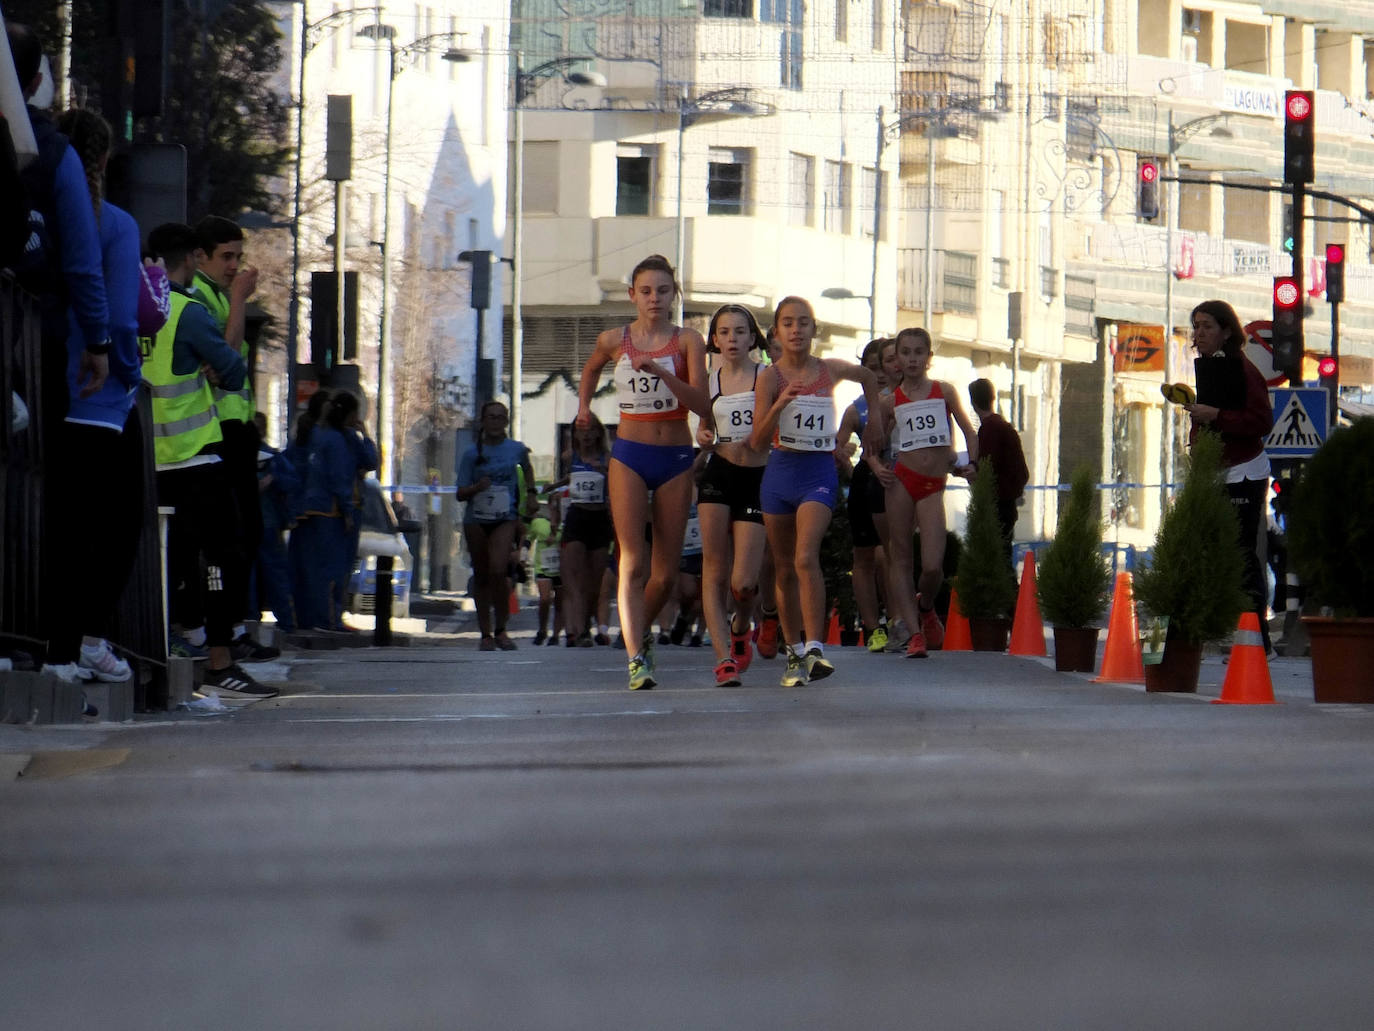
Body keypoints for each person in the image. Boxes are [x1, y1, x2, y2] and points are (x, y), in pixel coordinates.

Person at [143, 222, 274, 698]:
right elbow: (234, 370)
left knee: (163, 558)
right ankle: (220, 659)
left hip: (143, 453)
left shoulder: (133, 306)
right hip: (192, 453)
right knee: (223, 552)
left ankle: (166, 645)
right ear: (194, 259)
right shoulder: (186, 310)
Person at [38, 109, 143, 686]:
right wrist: (127, 373)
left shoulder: (41, 214)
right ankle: (84, 640)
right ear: (101, 160)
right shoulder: (117, 225)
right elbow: (122, 318)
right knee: (117, 526)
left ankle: (55, 647)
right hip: (100, 401)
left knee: (57, 529)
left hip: (45, 385)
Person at [575, 254, 709, 690]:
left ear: (675, 295)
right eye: (646, 291)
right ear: (632, 295)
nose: (654, 298)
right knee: (632, 563)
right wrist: (583, 408)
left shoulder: (688, 341)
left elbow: (703, 405)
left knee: (665, 575)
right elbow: (592, 366)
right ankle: (637, 658)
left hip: (674, 459)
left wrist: (663, 375)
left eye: (663, 291)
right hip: (629, 455)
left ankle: (640, 631)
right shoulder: (615, 339)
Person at [748, 296, 882, 686]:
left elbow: (870, 378)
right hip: (780, 473)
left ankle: (816, 649)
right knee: (785, 565)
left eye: (803, 322)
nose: (796, 329)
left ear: (814, 330)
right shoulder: (769, 378)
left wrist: (873, 423)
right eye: (788, 323)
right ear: (776, 332)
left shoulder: (829, 371)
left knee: (806, 557)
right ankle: (793, 652)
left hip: (817, 473)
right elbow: (757, 441)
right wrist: (779, 405)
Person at [878, 327, 979, 658]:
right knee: (901, 556)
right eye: (904, 353)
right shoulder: (890, 401)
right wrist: (875, 465)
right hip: (902, 481)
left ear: (928, 358)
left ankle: (926, 607)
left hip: (933, 485)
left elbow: (968, 430)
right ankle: (915, 634)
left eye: (918, 352)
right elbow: (872, 442)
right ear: (897, 360)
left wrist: (972, 464)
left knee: (933, 566)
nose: (911, 359)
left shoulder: (944, 392)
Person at [191, 215, 265, 658]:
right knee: (227, 536)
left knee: (246, 534)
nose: (235, 265)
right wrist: (238, 300)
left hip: (236, 430)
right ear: (200, 257)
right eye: (226, 256)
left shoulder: (216, 293)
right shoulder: (202, 296)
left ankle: (232, 626)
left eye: (239, 256)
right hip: (214, 430)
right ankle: (217, 631)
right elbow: (227, 357)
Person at [1182, 299, 1275, 653]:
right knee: (1202, 552)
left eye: (1207, 326)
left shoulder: (1243, 370)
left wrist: (1216, 415)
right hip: (1211, 473)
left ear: (1226, 331)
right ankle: (1211, 632)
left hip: (1243, 473)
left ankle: (1255, 642)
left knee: (1240, 556)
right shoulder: (1209, 367)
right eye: (1196, 326)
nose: (1199, 333)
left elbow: (1261, 422)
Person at [696, 304, 770, 686]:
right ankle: (723, 657)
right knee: (714, 568)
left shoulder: (766, 377)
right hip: (719, 474)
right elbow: (703, 428)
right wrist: (703, 436)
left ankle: (742, 625)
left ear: (752, 337)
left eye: (740, 332)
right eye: (724, 332)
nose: (732, 340)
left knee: (743, 582)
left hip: (757, 477)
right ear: (714, 340)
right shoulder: (709, 381)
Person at [457, 399, 536, 651]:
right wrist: (476, 488)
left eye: (500, 417)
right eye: (491, 416)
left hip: (504, 517)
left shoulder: (515, 449)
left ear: (506, 422)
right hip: (477, 520)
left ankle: (501, 628)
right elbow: (460, 493)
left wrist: (532, 494)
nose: (495, 421)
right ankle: (485, 634)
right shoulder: (471, 454)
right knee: (482, 576)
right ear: (483, 421)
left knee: (499, 572)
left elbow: (527, 466)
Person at [294, 391, 374, 632]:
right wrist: (348, 510)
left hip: (316, 509)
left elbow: (368, 461)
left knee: (313, 567)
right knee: (334, 567)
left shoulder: (321, 435)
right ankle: (329, 618)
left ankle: (317, 617)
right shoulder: (339, 440)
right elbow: (342, 475)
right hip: (334, 512)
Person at [837, 338, 895, 653]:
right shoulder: (855, 408)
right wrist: (844, 458)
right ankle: (873, 628)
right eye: (871, 369)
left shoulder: (905, 398)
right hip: (866, 479)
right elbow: (836, 444)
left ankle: (898, 617)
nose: (879, 375)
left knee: (891, 555)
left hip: (899, 480)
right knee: (864, 557)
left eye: (884, 367)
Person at [557, 414, 613, 647]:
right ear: (575, 435)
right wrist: (556, 485)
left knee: (594, 581)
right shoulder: (570, 457)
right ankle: (579, 631)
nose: (587, 435)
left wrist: (605, 472)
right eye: (582, 431)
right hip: (577, 517)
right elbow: (571, 478)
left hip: (599, 518)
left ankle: (586, 623)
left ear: (599, 433)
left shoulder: (608, 458)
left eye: (591, 430)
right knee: (574, 577)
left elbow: (617, 484)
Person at [967, 377, 1029, 570]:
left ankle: (1008, 596)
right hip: (1007, 501)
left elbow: (988, 466)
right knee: (1003, 553)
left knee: (996, 558)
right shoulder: (1003, 427)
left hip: (997, 502)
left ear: (973, 402)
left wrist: (970, 472)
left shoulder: (990, 429)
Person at [253, 411, 299, 637]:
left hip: (249, 524)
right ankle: (286, 621)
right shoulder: (273, 458)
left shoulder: (234, 454)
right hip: (269, 523)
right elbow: (292, 482)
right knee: (276, 575)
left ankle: (250, 619)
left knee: (250, 576)